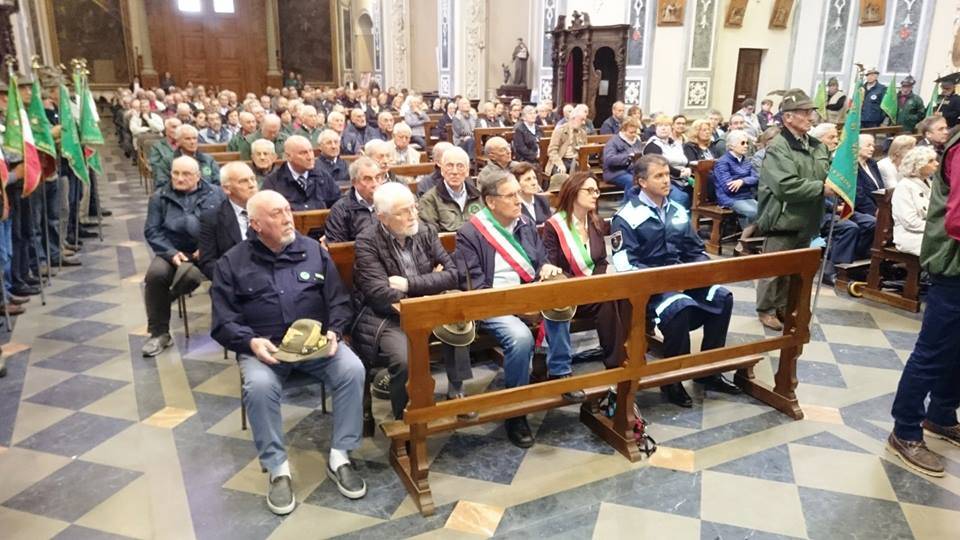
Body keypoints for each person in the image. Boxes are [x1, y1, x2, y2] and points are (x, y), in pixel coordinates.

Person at [210, 190, 367, 512]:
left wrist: (335, 332)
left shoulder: (313, 251)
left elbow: (338, 300)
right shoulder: (232, 263)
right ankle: (277, 468)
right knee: (259, 386)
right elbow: (223, 320)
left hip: (317, 346)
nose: (287, 218)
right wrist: (249, 341)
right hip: (265, 349)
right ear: (255, 224)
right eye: (276, 214)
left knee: (352, 369)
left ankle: (340, 455)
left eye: (287, 210)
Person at [455, 170, 576, 447]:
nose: (518, 200)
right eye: (510, 196)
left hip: (527, 294)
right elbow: (473, 285)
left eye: (518, 194)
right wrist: (519, 308)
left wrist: (545, 267)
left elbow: (539, 260)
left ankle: (560, 373)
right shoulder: (470, 233)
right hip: (491, 303)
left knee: (559, 301)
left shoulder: (524, 223)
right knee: (520, 338)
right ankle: (516, 411)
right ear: (490, 202)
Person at [611, 155, 740, 407]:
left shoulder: (677, 209)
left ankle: (709, 371)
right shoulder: (626, 216)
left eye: (667, 175)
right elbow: (626, 264)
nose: (666, 180)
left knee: (722, 297)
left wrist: (702, 271)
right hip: (649, 288)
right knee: (679, 305)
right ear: (641, 182)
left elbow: (695, 249)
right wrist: (667, 281)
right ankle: (672, 380)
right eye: (658, 176)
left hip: (683, 279)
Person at [352, 183, 470, 420]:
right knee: (403, 360)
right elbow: (379, 292)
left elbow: (452, 273)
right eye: (402, 212)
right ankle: (404, 417)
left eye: (413, 208)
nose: (412, 216)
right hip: (389, 316)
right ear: (383, 217)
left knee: (459, 328)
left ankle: (457, 392)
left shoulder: (425, 230)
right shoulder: (367, 241)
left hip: (427, 306)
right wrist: (431, 283)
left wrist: (408, 284)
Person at [887, 127, 960, 478]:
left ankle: (942, 414)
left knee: (957, 348)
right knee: (932, 350)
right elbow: (957, 220)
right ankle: (906, 430)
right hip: (954, 264)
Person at [754, 89, 832, 331]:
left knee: (795, 268)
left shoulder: (817, 146)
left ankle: (784, 306)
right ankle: (766, 309)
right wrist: (821, 188)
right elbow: (786, 186)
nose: (811, 117)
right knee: (774, 268)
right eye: (805, 112)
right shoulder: (779, 147)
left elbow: (826, 173)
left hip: (808, 217)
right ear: (788, 117)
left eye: (811, 113)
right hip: (782, 216)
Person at [542, 172, 627, 369]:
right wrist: (590, 285)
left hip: (594, 288)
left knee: (624, 293)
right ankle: (616, 363)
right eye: (589, 190)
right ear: (573, 192)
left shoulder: (595, 221)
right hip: (568, 292)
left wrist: (600, 281)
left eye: (596, 190)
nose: (595, 195)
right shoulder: (554, 226)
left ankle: (626, 355)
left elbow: (601, 261)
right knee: (606, 299)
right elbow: (551, 266)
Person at [142, 156, 224, 357]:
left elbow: (225, 223)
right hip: (173, 251)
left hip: (209, 250)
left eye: (186, 174)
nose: (179, 178)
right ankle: (159, 333)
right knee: (155, 275)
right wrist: (171, 253)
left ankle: (234, 329)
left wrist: (208, 247)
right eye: (175, 173)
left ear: (198, 176)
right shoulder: (159, 197)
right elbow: (152, 231)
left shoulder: (216, 194)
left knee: (229, 272)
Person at [199, 162, 259, 279]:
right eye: (243, 181)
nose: (252, 185)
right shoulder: (212, 218)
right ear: (226, 189)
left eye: (253, 179)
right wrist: (233, 277)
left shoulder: (270, 209)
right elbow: (207, 263)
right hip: (234, 280)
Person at [262, 135, 340, 211]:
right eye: (303, 153)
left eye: (310, 151)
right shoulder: (273, 182)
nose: (310, 157)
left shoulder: (323, 176)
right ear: (288, 156)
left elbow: (338, 205)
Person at [418, 146, 483, 232]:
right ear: (442, 170)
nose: (454, 172)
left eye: (460, 166)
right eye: (449, 166)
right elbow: (431, 237)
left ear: (467, 171)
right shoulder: (429, 200)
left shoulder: (479, 197)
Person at [324, 156, 385, 243]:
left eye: (378, 177)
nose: (375, 184)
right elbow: (337, 248)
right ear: (354, 182)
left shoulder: (390, 202)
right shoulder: (341, 209)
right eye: (367, 179)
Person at [713, 130, 759, 242]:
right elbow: (729, 188)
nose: (746, 146)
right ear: (732, 145)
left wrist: (741, 181)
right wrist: (747, 181)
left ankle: (746, 242)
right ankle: (744, 243)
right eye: (743, 143)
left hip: (747, 196)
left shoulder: (746, 160)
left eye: (747, 143)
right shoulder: (723, 162)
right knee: (756, 213)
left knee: (766, 211)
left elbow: (756, 178)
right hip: (729, 198)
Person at [892, 146, 938, 256]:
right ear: (918, 165)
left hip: (930, 231)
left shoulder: (930, 183)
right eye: (931, 161)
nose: (936, 163)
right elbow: (910, 222)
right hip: (911, 236)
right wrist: (937, 228)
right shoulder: (904, 187)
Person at [643, 115, 692, 209]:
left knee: (701, 191)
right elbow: (660, 166)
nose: (663, 128)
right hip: (663, 179)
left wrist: (688, 169)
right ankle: (676, 221)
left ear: (671, 128)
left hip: (683, 179)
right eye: (660, 125)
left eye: (666, 125)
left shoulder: (676, 144)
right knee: (682, 198)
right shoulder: (652, 146)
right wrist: (679, 173)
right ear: (655, 128)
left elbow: (686, 160)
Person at [154, 124, 220, 189]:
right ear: (178, 142)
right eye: (187, 139)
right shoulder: (168, 161)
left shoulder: (208, 160)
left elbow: (218, 182)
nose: (192, 142)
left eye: (194, 138)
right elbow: (162, 185)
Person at [602, 117, 643, 200]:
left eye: (635, 132)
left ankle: (640, 205)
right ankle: (629, 207)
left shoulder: (637, 141)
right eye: (631, 132)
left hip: (632, 171)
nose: (634, 135)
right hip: (614, 172)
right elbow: (609, 159)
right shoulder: (613, 141)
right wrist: (628, 158)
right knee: (632, 181)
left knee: (646, 180)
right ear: (623, 131)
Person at [546, 105, 588, 175]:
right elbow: (552, 151)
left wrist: (585, 163)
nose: (584, 123)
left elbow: (585, 150)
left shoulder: (582, 133)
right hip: (561, 160)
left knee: (587, 176)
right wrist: (560, 164)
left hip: (576, 161)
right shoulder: (560, 131)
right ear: (573, 118)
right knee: (560, 175)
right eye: (582, 119)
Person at [855, 134, 883, 217]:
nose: (872, 149)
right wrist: (875, 211)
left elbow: (880, 187)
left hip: (880, 207)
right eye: (868, 146)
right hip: (864, 210)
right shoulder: (852, 167)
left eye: (873, 146)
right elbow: (858, 195)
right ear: (857, 147)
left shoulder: (872, 163)